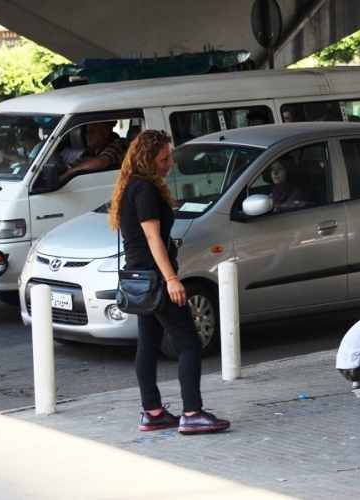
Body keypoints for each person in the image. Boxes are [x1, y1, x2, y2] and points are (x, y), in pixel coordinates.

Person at [108, 129, 230, 435]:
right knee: (189, 343)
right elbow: (152, 237)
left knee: (148, 345)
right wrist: (172, 279)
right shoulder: (145, 190)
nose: (170, 163)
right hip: (157, 277)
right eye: (164, 158)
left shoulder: (130, 187)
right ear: (148, 158)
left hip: (140, 277)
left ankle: (153, 412)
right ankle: (192, 412)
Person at [59, 121, 126, 182]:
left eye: (92, 131)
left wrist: (72, 172)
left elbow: (102, 161)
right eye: (87, 131)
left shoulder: (116, 147)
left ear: (105, 132)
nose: (88, 135)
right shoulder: (90, 151)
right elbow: (71, 166)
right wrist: (59, 170)